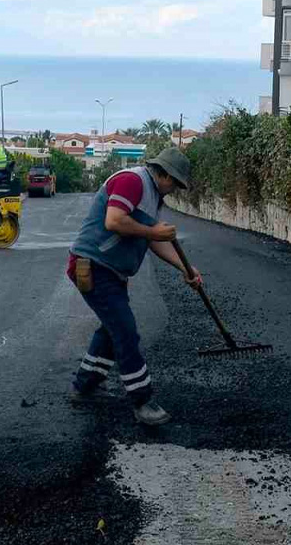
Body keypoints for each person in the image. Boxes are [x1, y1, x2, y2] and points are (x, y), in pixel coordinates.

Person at [67, 147, 202, 426]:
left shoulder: (154, 196)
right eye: (174, 183)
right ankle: (142, 401)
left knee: (112, 328)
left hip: (111, 270)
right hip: (92, 265)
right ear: (163, 173)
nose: (174, 189)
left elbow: (152, 241)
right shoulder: (133, 181)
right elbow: (114, 221)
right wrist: (154, 230)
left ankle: (85, 385)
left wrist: (186, 269)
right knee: (125, 330)